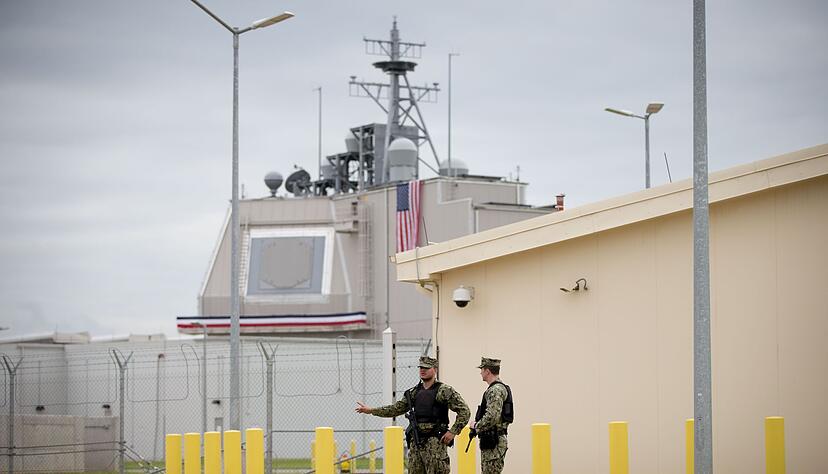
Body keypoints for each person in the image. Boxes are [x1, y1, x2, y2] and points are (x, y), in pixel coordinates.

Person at [355, 356, 470, 474]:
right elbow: (396, 409)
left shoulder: (444, 390)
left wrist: (453, 432)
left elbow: (464, 411)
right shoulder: (413, 393)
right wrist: (371, 410)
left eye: (426, 367)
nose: (422, 370)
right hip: (416, 443)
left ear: (435, 369)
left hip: (435, 443)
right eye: (420, 367)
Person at [471, 357, 513, 474]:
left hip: (494, 442)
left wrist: (476, 426)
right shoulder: (496, 388)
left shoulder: (495, 390)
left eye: (482, 370)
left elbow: (492, 416)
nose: (480, 373)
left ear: (487, 371)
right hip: (491, 441)